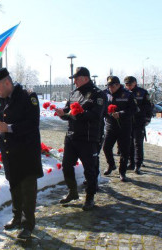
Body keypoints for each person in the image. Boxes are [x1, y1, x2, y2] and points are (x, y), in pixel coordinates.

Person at [0, 68, 43, 239]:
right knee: (15, 188)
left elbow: (32, 124)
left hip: (26, 152)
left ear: (7, 82)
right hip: (10, 153)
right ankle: (17, 217)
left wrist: (9, 128)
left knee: (28, 190)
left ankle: (27, 225)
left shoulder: (28, 96)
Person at [55, 67, 105, 211]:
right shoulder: (74, 93)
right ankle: (72, 191)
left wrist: (78, 113)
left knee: (89, 169)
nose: (74, 82)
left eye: (77, 79)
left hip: (88, 138)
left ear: (85, 78)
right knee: (66, 165)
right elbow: (67, 111)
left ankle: (90, 197)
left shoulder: (98, 94)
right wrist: (62, 113)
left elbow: (96, 115)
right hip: (72, 135)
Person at [103, 76, 137, 182]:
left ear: (118, 85)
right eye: (108, 86)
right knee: (106, 147)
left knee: (124, 151)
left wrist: (121, 114)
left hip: (124, 127)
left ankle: (122, 172)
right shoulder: (105, 94)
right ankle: (111, 165)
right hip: (110, 125)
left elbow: (134, 109)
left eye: (112, 86)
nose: (110, 88)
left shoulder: (128, 94)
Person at [124, 76, 152, 174]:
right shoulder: (124, 93)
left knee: (137, 144)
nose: (128, 86)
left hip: (139, 121)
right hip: (128, 122)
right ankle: (131, 163)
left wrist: (148, 119)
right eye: (126, 85)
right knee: (129, 144)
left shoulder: (142, 92)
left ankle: (138, 164)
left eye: (130, 84)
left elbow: (149, 107)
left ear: (135, 83)